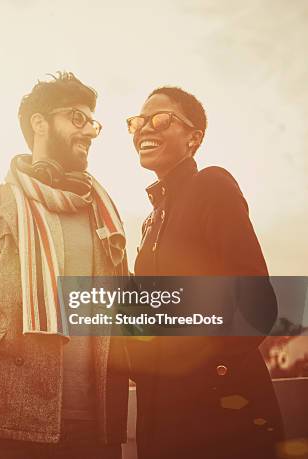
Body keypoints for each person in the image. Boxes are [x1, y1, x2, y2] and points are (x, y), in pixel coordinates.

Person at [0, 72, 130, 458]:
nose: (89, 130)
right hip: (8, 427)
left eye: (92, 122)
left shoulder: (103, 214)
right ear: (39, 123)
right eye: (77, 117)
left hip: (98, 430)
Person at [125, 86, 283, 459]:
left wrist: (208, 376)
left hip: (223, 418)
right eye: (137, 121)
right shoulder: (152, 221)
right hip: (162, 417)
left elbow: (257, 304)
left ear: (194, 138)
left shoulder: (212, 185)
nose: (145, 127)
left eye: (161, 118)